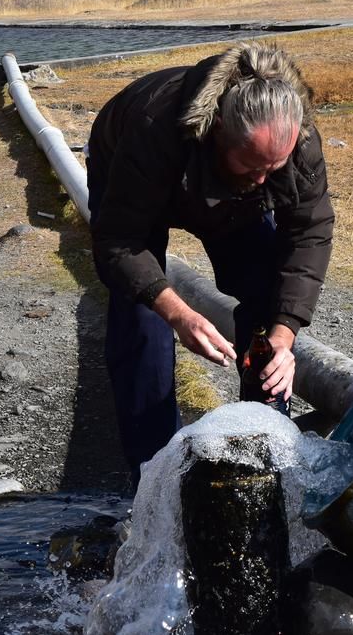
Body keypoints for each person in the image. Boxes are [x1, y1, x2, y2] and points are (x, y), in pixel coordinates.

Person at [86, 42, 334, 484]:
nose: (263, 179)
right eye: (253, 166)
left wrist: (284, 333)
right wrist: (178, 313)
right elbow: (119, 243)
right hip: (136, 170)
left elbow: (309, 233)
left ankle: (264, 445)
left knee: (265, 289)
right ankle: (155, 472)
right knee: (142, 318)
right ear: (218, 128)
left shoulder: (297, 143)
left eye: (273, 169)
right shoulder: (152, 129)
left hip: (222, 193)